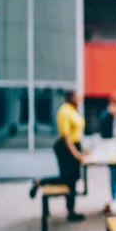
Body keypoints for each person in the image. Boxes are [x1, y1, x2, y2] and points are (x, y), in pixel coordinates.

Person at [29, 90, 86, 222]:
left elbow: (75, 133)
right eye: (78, 97)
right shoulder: (64, 111)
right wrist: (76, 154)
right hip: (66, 148)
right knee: (67, 178)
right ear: (70, 97)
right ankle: (40, 182)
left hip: (74, 146)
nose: (80, 99)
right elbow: (66, 137)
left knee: (73, 179)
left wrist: (82, 149)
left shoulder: (73, 110)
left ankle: (71, 211)